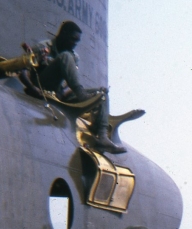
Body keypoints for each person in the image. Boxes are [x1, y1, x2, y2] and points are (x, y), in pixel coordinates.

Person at [20, 21, 124, 154]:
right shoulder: (44, 47)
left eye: (77, 41)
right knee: (65, 57)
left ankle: (102, 136)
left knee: (101, 94)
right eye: (72, 39)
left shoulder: (74, 56)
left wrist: (65, 94)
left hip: (58, 94)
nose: (74, 43)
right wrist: (33, 88)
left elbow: (70, 83)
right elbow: (22, 71)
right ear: (62, 34)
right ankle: (82, 95)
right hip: (41, 86)